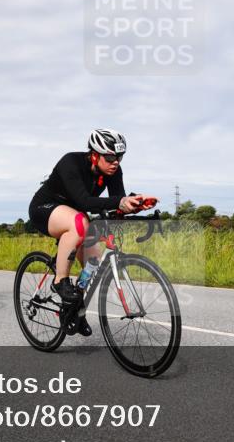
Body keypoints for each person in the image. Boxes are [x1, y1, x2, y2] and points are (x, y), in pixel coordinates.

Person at [28, 129, 157, 336]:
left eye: (120, 157)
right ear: (95, 155)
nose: (115, 162)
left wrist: (136, 205)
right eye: (110, 158)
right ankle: (60, 280)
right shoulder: (71, 162)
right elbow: (84, 201)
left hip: (75, 214)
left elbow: (117, 202)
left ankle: (75, 311)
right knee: (80, 221)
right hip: (45, 209)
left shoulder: (113, 171)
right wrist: (120, 202)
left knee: (93, 262)